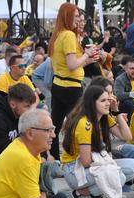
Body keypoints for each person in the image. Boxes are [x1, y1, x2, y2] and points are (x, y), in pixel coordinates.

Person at [61, 85, 134, 198]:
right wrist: (109, 170)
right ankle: (81, 192)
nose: (108, 103)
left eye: (108, 99)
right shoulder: (84, 123)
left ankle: (96, 193)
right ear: (92, 103)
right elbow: (86, 161)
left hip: (94, 163)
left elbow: (127, 136)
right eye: (103, 100)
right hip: (74, 169)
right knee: (118, 177)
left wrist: (117, 111)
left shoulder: (104, 117)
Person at [48, 2, 97, 160]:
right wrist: (87, 53)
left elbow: (67, 65)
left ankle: (55, 158)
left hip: (59, 84)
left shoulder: (58, 35)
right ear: (67, 16)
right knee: (76, 125)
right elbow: (72, 65)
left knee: (55, 125)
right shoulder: (68, 35)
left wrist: (87, 59)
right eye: (76, 16)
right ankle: (74, 157)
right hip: (71, 87)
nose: (79, 19)